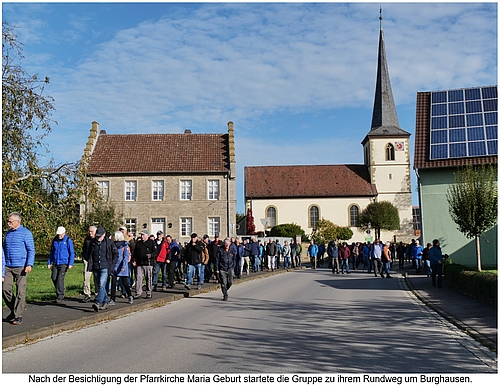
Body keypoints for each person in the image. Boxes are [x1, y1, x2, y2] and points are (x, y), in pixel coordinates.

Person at [3, 212, 35, 325]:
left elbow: (31, 250)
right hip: (7, 266)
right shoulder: (8, 233)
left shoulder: (26, 233)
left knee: (20, 291)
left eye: (10, 222)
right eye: (8, 221)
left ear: (18, 222)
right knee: (5, 289)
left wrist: (29, 264)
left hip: (21, 266)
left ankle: (18, 315)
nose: (8, 223)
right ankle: (14, 310)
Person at [88, 227, 118, 311]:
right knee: (100, 286)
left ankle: (98, 302)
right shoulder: (93, 243)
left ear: (104, 235)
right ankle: (106, 301)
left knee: (102, 284)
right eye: (97, 236)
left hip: (105, 267)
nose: (98, 238)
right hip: (96, 266)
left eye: (100, 236)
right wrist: (90, 264)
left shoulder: (109, 243)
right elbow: (89, 254)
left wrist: (112, 264)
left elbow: (116, 254)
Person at [47, 226, 75, 302]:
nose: (59, 236)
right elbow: (52, 252)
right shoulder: (54, 240)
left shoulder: (68, 240)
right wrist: (49, 262)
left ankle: (60, 295)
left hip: (64, 263)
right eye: (58, 235)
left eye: (61, 235)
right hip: (56, 262)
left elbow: (72, 252)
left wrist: (71, 263)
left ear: (64, 233)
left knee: (60, 279)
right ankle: (61, 288)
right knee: (54, 277)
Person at [133, 230, 156, 298]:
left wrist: (150, 255)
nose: (142, 236)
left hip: (148, 263)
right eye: (141, 235)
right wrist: (134, 260)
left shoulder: (151, 242)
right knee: (138, 277)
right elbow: (135, 253)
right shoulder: (138, 243)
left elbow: (155, 252)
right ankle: (138, 292)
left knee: (148, 278)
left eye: (143, 235)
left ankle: (148, 292)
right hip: (140, 263)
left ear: (147, 235)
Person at [113, 231, 133, 303]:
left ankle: (130, 295)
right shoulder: (113, 245)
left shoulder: (125, 245)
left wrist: (124, 266)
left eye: (114, 236)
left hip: (122, 266)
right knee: (114, 283)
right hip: (115, 266)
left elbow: (126, 257)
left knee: (125, 282)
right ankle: (113, 299)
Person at [81, 226, 97, 302]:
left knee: (96, 278)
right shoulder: (87, 239)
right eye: (89, 231)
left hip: (96, 260)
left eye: (92, 232)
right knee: (86, 278)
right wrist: (84, 258)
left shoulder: (98, 239)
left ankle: (97, 294)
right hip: (87, 260)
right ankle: (87, 294)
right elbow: (84, 249)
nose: (90, 233)